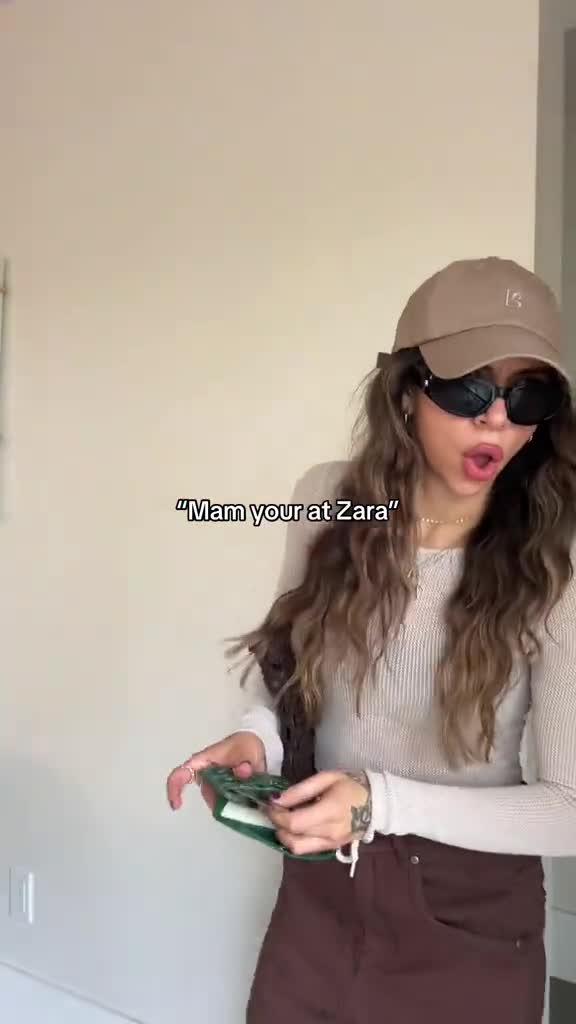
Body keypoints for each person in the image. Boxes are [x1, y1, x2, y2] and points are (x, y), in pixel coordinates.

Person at [166, 257, 576, 1024]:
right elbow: (290, 674)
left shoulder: (558, 559)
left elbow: (569, 806)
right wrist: (257, 739)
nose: (497, 420)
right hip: (321, 895)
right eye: (469, 388)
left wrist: (378, 804)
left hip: (469, 918)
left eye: (529, 395)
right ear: (406, 389)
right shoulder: (328, 501)